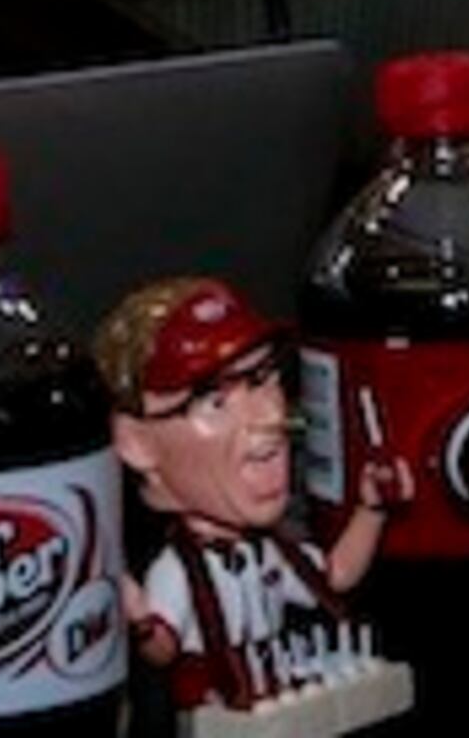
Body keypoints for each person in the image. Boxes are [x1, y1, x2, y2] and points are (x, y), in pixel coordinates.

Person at [99, 275, 409, 715]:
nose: (269, 417)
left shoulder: (268, 553)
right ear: (136, 442)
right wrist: (137, 616)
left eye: (265, 380)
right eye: (214, 401)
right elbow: (163, 651)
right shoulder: (176, 572)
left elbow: (334, 576)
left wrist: (372, 509)